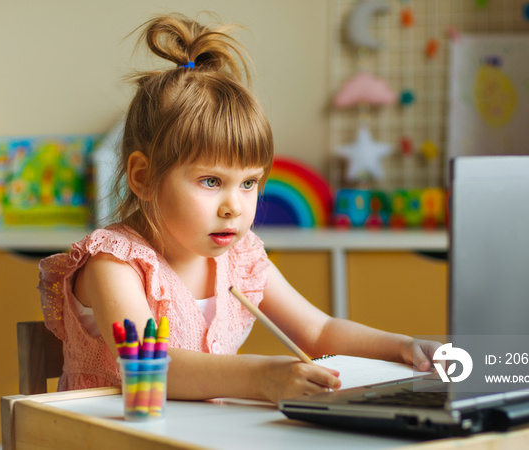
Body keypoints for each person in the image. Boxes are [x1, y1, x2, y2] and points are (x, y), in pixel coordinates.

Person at [39, 12, 440, 404]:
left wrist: (403, 347)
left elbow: (318, 331)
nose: (234, 206)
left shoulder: (242, 259)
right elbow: (149, 366)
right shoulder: (114, 264)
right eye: (211, 181)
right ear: (142, 176)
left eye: (249, 183)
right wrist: (264, 378)